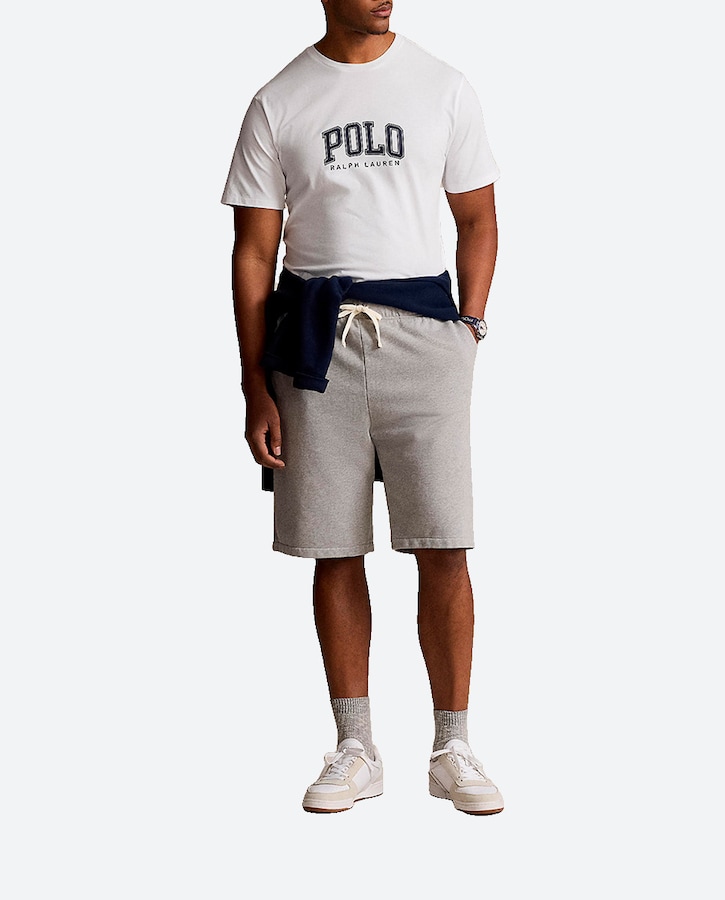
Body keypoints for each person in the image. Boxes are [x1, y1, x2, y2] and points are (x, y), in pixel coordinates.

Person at [221, 0, 503, 815]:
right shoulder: (278, 100)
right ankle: (355, 748)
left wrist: (468, 327)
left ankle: (452, 747)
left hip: (426, 338)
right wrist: (253, 382)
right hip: (316, 342)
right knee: (333, 546)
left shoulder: (443, 86)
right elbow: (254, 251)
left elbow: (478, 218)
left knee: (442, 541)